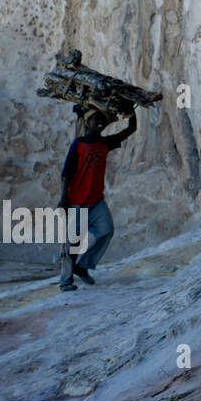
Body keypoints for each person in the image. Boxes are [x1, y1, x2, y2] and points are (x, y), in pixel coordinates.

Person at [57, 106, 137, 290]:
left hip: (96, 201)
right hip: (77, 202)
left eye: (102, 120)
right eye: (95, 119)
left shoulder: (105, 144)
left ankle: (82, 266)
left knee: (106, 231)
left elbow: (131, 129)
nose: (99, 122)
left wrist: (131, 108)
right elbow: (66, 173)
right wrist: (63, 199)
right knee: (72, 243)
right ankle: (65, 281)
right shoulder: (78, 144)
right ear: (87, 122)